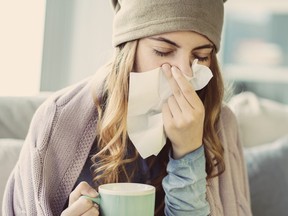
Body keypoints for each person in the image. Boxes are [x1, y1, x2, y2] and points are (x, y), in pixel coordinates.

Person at [2, 0, 253, 215]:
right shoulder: (57, 119)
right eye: (163, 51)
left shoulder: (221, 124)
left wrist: (189, 153)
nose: (185, 73)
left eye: (201, 56)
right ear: (127, 48)